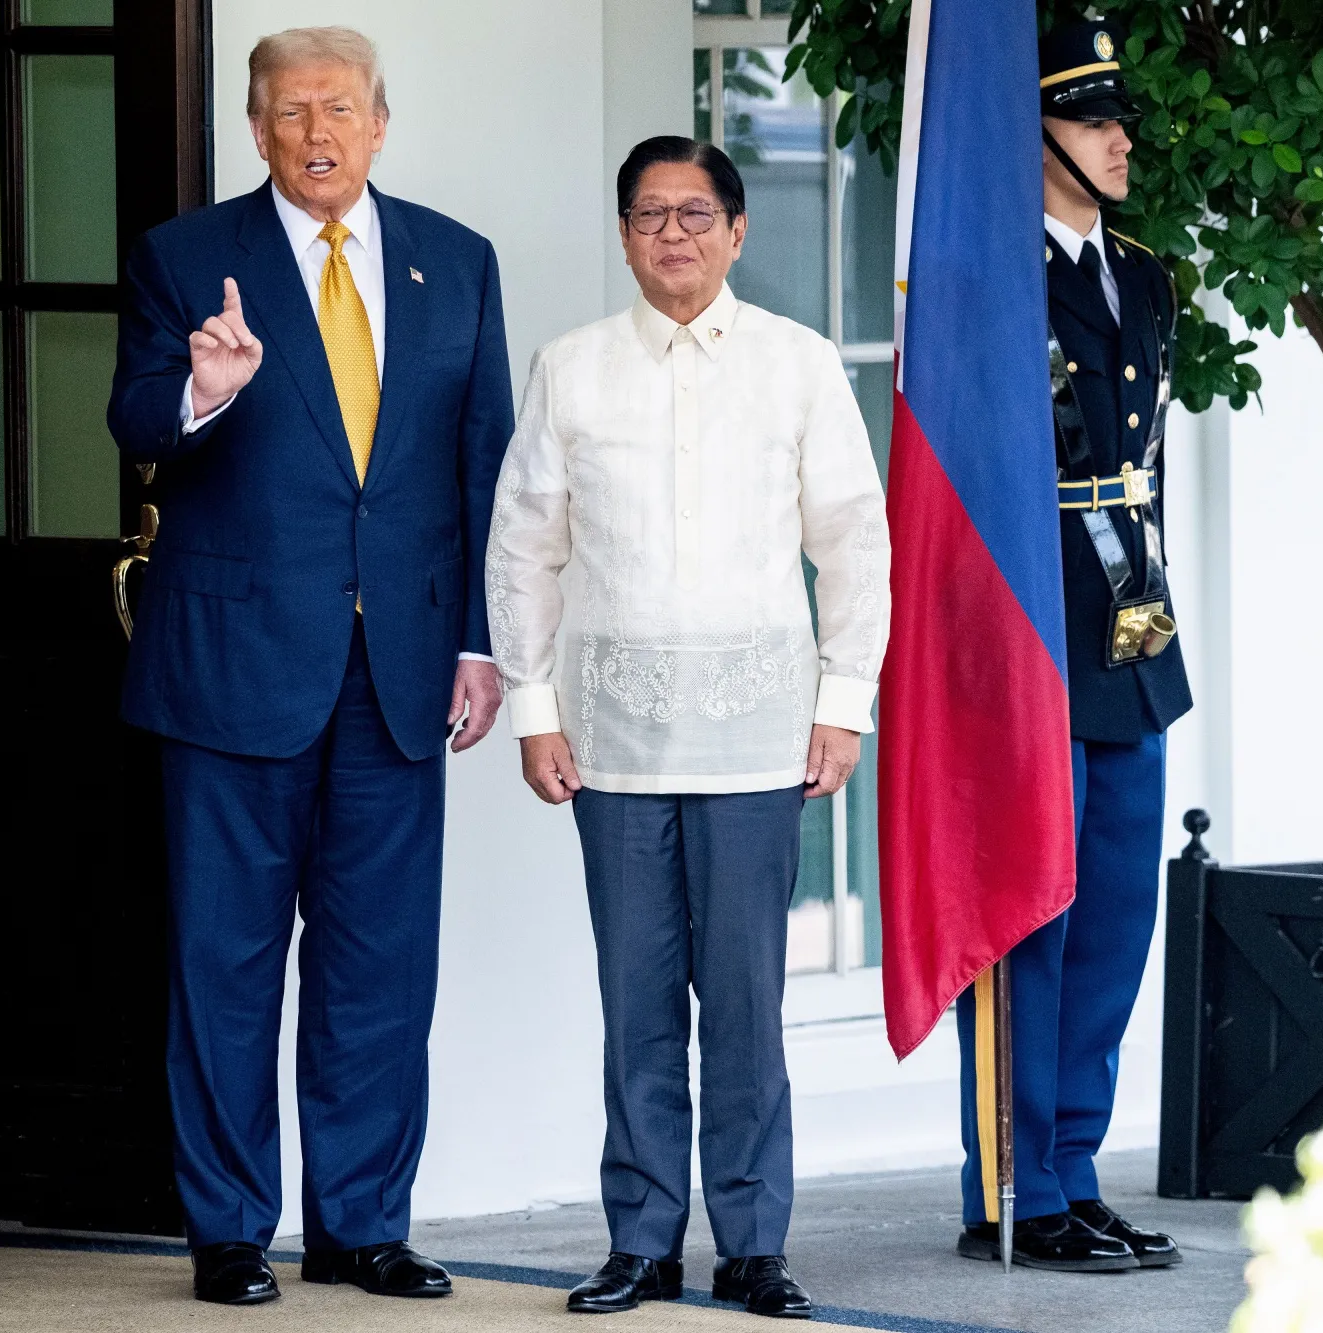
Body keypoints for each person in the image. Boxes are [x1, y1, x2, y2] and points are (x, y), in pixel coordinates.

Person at [106, 26, 512, 1307]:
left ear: (380, 124)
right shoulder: (185, 258)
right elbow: (131, 419)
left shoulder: (456, 259)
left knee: (379, 965)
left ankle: (363, 1224)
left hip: (398, 669)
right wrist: (204, 391)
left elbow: (484, 465)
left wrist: (480, 640)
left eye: (339, 108)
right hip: (231, 667)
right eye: (289, 111)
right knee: (224, 961)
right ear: (256, 128)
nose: (316, 132)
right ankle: (229, 1228)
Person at [488, 137, 890, 1320]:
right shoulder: (570, 369)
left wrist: (842, 702)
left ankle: (753, 1245)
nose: (673, 234)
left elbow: (852, 541)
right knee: (638, 1003)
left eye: (695, 213)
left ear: (737, 229)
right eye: (649, 215)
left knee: (745, 1002)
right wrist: (532, 708)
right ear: (622, 235)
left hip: (758, 739)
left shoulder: (797, 364)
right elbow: (523, 548)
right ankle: (641, 1242)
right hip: (609, 742)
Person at [953, 20, 1192, 1274]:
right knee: (1025, 918)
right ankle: (1011, 1181)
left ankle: (1075, 1170)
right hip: (1028, 629)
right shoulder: (987, 281)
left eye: (1118, 120)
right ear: (1033, 136)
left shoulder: (1142, 277)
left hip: (1129, 629)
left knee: (1110, 919)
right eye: (1091, 120)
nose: (1118, 140)